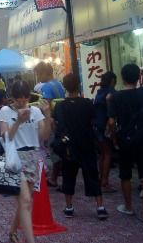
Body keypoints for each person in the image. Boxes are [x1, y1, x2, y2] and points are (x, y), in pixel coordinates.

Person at [0, 81, 53, 243]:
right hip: (14, 157)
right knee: (26, 200)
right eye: (18, 100)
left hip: (33, 156)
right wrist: (18, 122)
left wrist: (48, 115)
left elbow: (44, 137)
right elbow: (5, 138)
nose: (22, 103)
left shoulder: (35, 111)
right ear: (12, 98)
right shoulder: (5, 111)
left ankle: (13, 231)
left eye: (25, 99)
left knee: (26, 202)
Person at [54, 73, 109, 220]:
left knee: (68, 176)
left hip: (68, 146)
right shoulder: (87, 103)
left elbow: (55, 125)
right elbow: (94, 122)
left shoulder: (60, 106)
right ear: (78, 85)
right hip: (86, 144)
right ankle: (100, 207)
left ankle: (69, 207)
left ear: (64, 87)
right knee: (92, 175)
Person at [108, 63, 143, 222]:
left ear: (122, 77)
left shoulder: (116, 97)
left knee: (126, 174)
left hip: (125, 139)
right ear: (139, 77)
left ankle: (128, 207)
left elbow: (111, 122)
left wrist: (114, 136)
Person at [33, 62, 65, 188]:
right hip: (61, 120)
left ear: (44, 73)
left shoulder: (46, 87)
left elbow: (45, 106)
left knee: (53, 149)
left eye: (38, 74)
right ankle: (55, 176)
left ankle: (53, 178)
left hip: (51, 121)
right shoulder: (58, 84)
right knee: (59, 148)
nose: (38, 77)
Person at [93, 71, 117, 193]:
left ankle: (101, 178)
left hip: (97, 126)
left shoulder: (99, 93)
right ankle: (105, 181)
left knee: (102, 154)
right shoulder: (110, 92)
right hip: (106, 126)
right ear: (112, 80)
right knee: (107, 154)